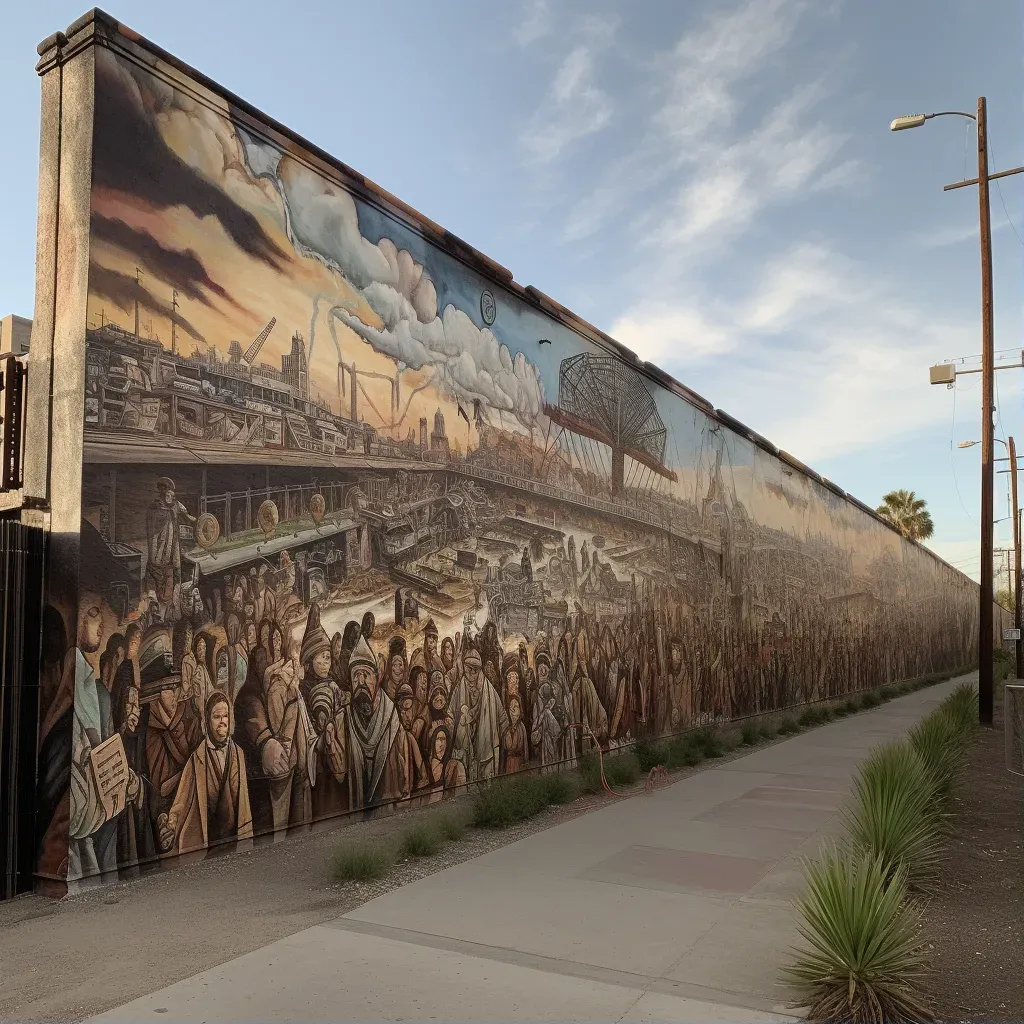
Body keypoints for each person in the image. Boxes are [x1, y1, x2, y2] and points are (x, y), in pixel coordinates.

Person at [158, 691, 253, 856]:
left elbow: (242, 800)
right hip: (208, 840)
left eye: (225, 716)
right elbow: (182, 799)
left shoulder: (238, 753)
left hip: (234, 838)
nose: (222, 721)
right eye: (217, 716)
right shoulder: (197, 758)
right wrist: (171, 825)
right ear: (207, 721)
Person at [345, 636, 420, 807]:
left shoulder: (391, 718)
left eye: (366, 674)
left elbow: (404, 765)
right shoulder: (345, 717)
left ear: (377, 678)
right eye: (356, 676)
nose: (361, 682)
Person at [298, 603, 350, 821]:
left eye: (328, 657)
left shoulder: (334, 686)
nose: (325, 662)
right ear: (310, 660)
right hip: (316, 764)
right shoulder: (302, 690)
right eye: (321, 657)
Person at [449, 644, 508, 782]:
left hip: (485, 741)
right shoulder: (460, 687)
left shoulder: (488, 688)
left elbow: (501, 715)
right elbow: (451, 710)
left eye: (474, 669)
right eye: (468, 667)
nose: (471, 672)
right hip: (466, 741)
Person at [145, 477, 196, 619]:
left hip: (171, 553)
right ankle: (155, 612)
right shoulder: (155, 507)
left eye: (172, 495)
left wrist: (190, 518)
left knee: (169, 588)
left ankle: (166, 612)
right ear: (161, 492)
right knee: (155, 584)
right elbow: (153, 528)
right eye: (168, 493)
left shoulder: (174, 506)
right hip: (158, 551)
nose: (171, 496)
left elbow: (188, 517)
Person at [500, 695, 528, 775]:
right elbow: (504, 749)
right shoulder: (505, 727)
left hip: (519, 762)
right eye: (511, 706)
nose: (513, 709)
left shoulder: (521, 727)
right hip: (508, 762)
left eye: (516, 706)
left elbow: (525, 748)